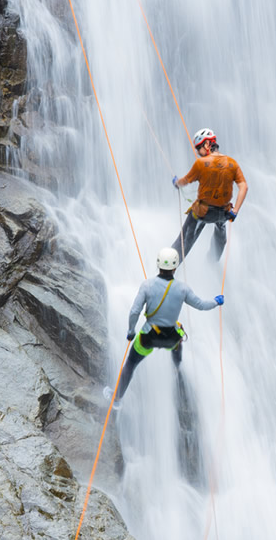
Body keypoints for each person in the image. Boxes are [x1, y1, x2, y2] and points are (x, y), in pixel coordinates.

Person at [103, 247, 224, 407]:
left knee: (131, 364)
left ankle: (117, 398)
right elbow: (201, 305)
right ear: (175, 267)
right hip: (170, 340)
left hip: (148, 338)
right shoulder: (183, 289)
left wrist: (131, 331)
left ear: (158, 264)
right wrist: (216, 301)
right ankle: (176, 368)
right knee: (179, 334)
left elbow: (134, 312)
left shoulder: (147, 286)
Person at [171, 128, 248, 262]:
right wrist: (235, 211)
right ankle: (212, 261)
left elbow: (185, 181)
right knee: (221, 231)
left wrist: (177, 183)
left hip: (203, 212)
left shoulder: (201, 164)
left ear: (207, 145)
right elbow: (244, 187)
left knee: (185, 240)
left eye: (198, 148)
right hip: (223, 213)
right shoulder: (232, 163)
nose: (198, 153)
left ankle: (169, 267)